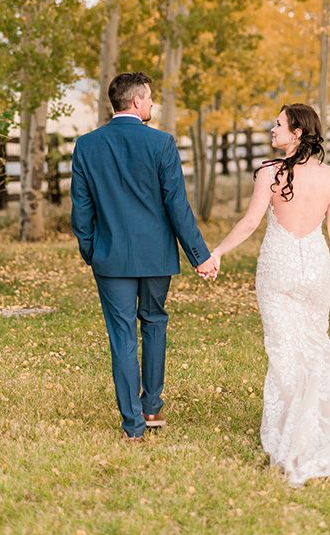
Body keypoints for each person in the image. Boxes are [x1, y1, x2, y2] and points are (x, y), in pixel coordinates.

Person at [210, 103, 330, 486]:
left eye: (278, 124)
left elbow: (250, 222)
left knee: (283, 351)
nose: (272, 129)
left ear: (296, 132)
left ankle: (294, 433)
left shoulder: (269, 173)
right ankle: (313, 425)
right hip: (316, 267)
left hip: (279, 269)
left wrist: (216, 252)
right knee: (314, 347)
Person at [70, 72, 219, 439]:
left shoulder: (87, 146)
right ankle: (152, 407)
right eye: (150, 98)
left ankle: (133, 424)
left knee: (122, 335)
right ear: (136, 102)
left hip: (111, 257)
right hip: (155, 256)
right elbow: (177, 206)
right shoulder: (162, 144)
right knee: (154, 322)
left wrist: (92, 251)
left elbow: (81, 210)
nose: (152, 104)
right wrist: (199, 255)